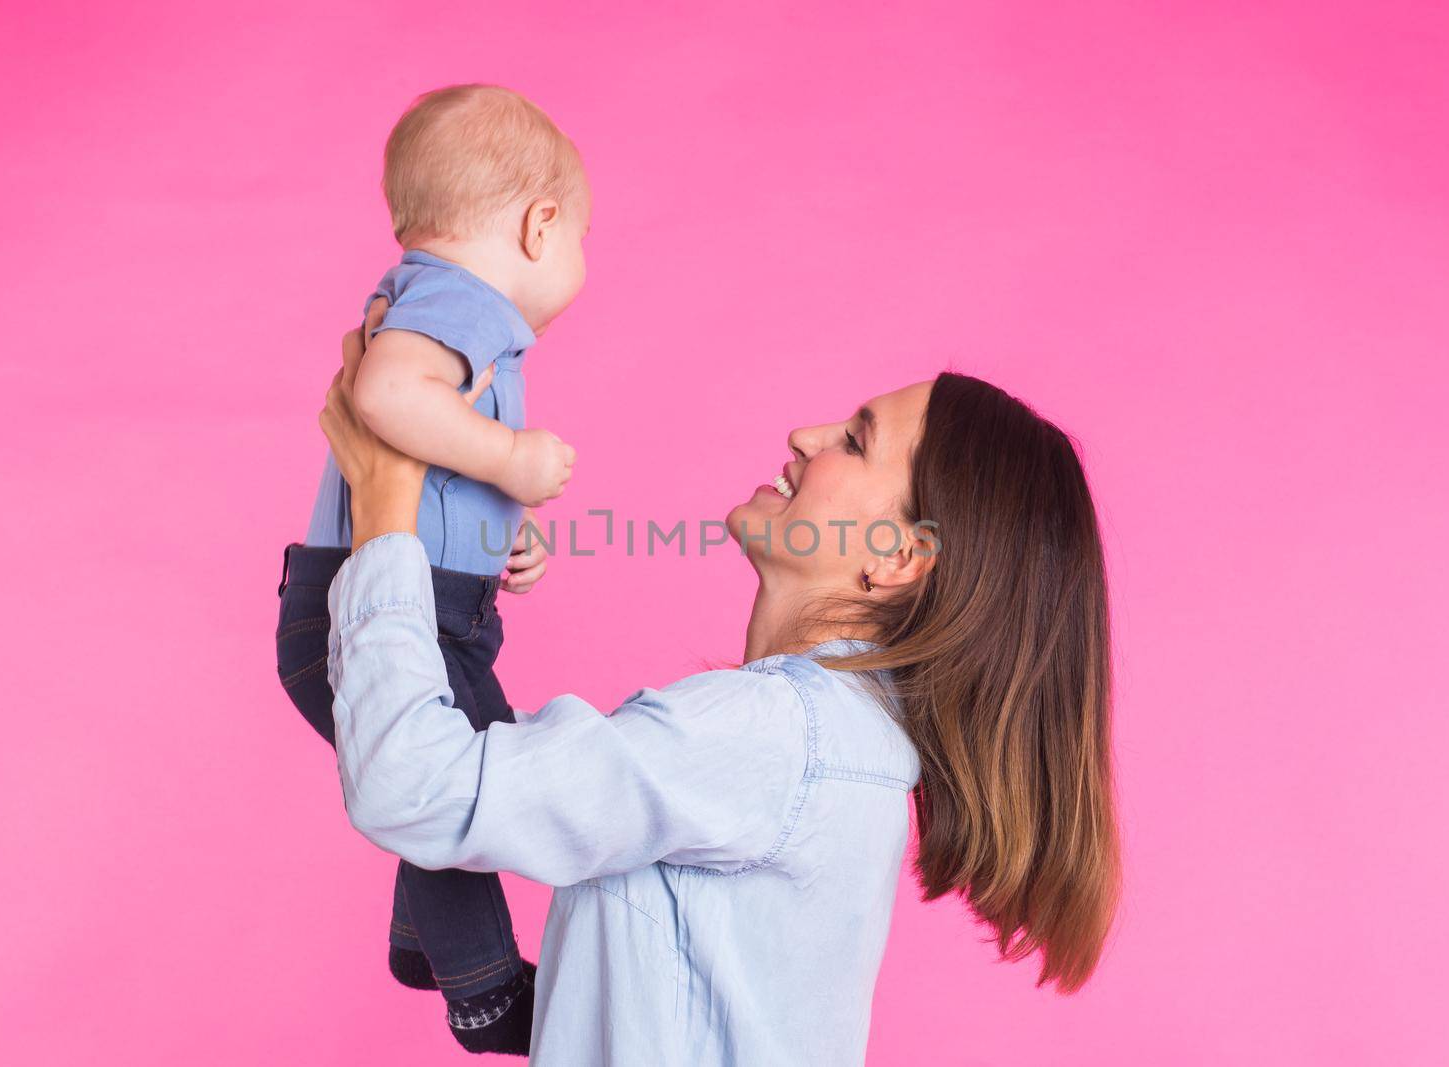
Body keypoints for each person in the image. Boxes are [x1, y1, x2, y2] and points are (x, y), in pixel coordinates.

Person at [317, 322, 1123, 1065]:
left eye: (853, 440)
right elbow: (497, 775)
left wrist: (386, 510)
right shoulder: (831, 750)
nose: (804, 437)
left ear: (897, 556)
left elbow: (416, 784)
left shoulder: (776, 738)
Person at [275, 84, 586, 1055]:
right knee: (469, 779)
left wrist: (500, 536)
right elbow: (386, 393)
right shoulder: (460, 300)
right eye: (582, 237)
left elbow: (424, 442)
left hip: (427, 597)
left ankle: (426, 940)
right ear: (539, 225)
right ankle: (485, 987)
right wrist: (515, 462)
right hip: (381, 607)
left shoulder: (433, 300)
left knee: (459, 774)